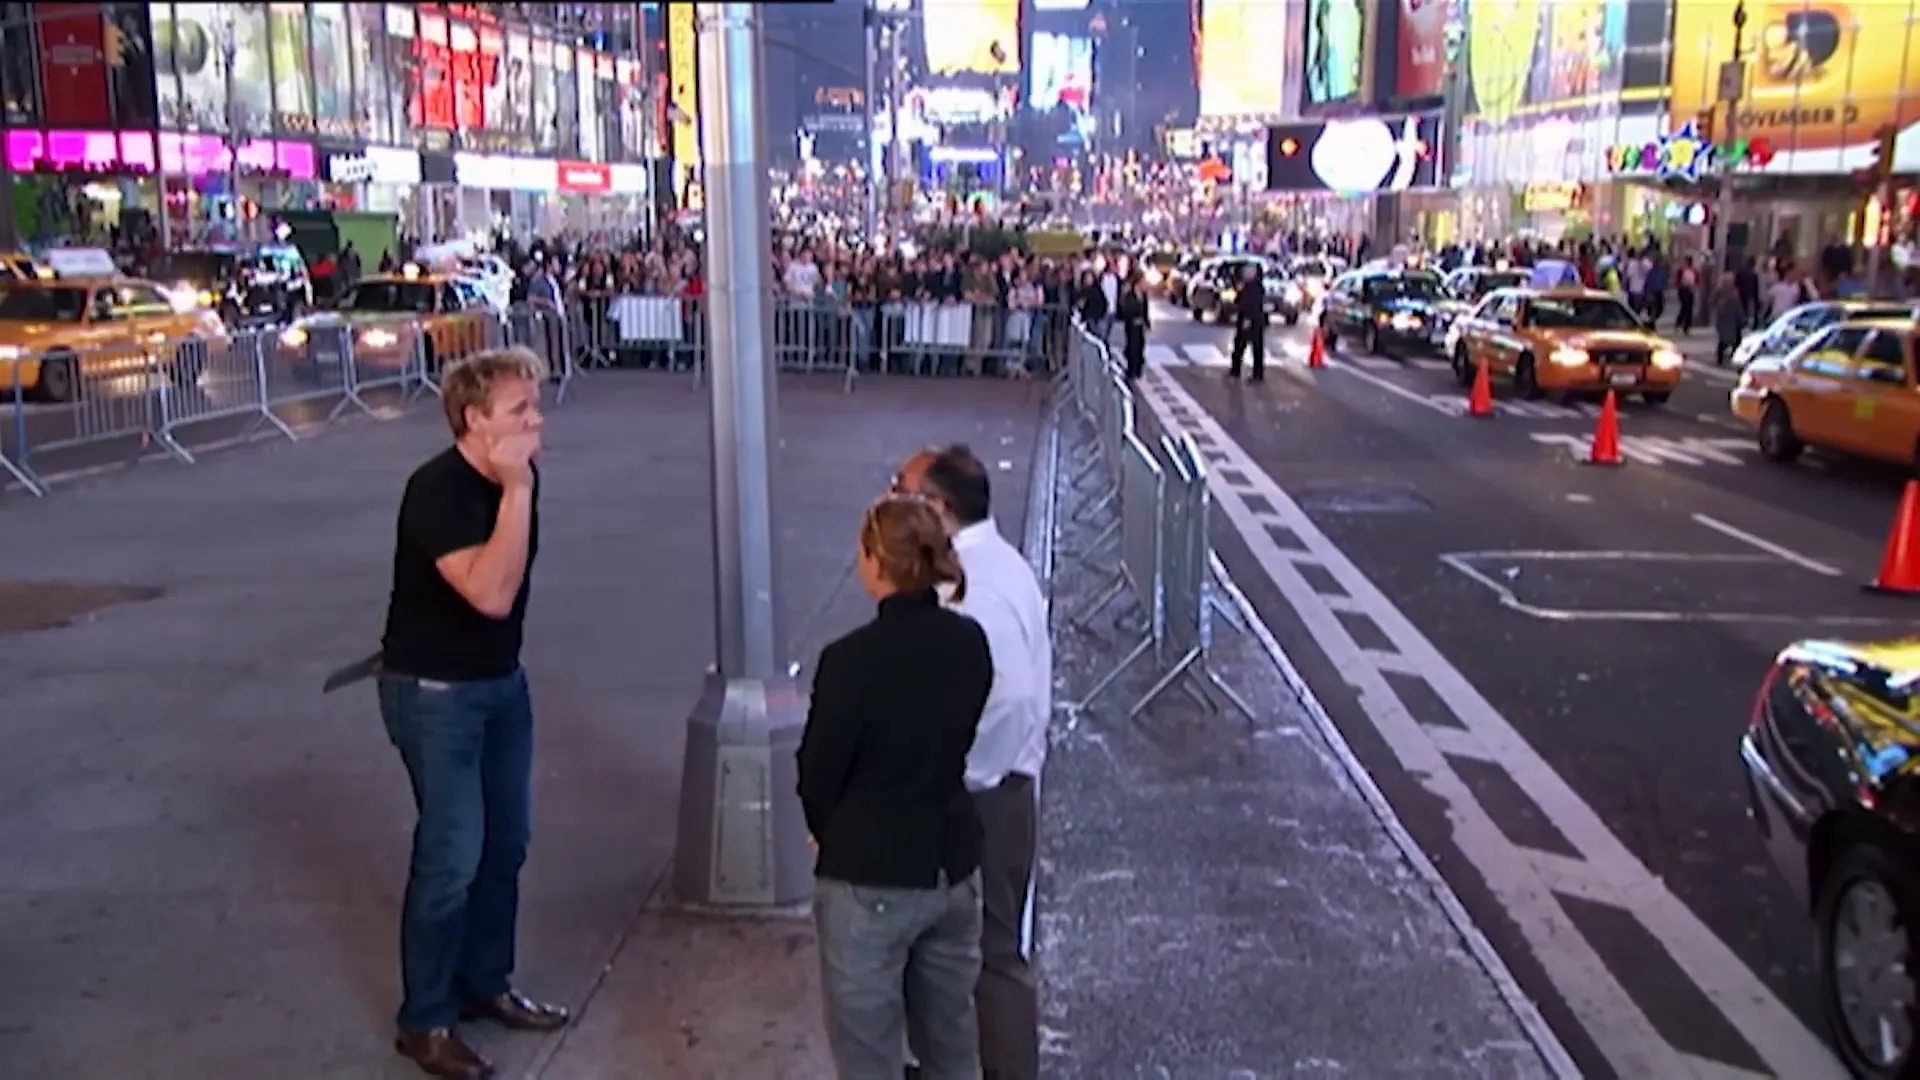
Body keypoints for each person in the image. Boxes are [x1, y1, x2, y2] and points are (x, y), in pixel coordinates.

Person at [377, 347, 568, 1080]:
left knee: (506, 843)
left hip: (499, 684)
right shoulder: (438, 490)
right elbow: (490, 593)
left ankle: (486, 982)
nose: (537, 420)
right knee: (452, 854)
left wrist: (519, 487)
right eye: (520, 410)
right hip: (435, 693)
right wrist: (517, 490)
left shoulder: (517, 481)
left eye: (535, 405)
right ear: (474, 420)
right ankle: (425, 1020)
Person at [800, 494, 993, 1080]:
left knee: (869, 1056)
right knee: (952, 1046)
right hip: (952, 863)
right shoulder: (969, 642)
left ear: (875, 562)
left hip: (871, 875)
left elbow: (818, 773)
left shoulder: (849, 661)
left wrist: (831, 833)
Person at [895, 446, 1050, 1080]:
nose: (891, 502)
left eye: (901, 491)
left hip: (984, 796)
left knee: (988, 957)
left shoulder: (975, 588)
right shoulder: (996, 566)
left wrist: (959, 776)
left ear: (938, 507)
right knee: (975, 953)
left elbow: (1006, 700)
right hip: (996, 787)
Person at [1227, 261, 1267, 382]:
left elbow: (1251, 304)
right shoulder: (1249, 285)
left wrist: (1247, 319)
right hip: (1251, 318)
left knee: (1246, 346)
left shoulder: (1254, 287)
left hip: (1251, 319)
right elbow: (1239, 299)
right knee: (1245, 346)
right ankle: (1238, 369)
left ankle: (1251, 372)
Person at [1117, 272, 1150, 381]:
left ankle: (1138, 368)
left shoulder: (1143, 295)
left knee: (1140, 346)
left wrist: (1146, 322)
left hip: (1140, 325)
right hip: (1131, 324)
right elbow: (1126, 309)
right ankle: (1131, 369)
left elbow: (1145, 309)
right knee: (1132, 347)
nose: (1144, 284)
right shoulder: (1129, 295)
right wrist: (1133, 318)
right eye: (1142, 282)